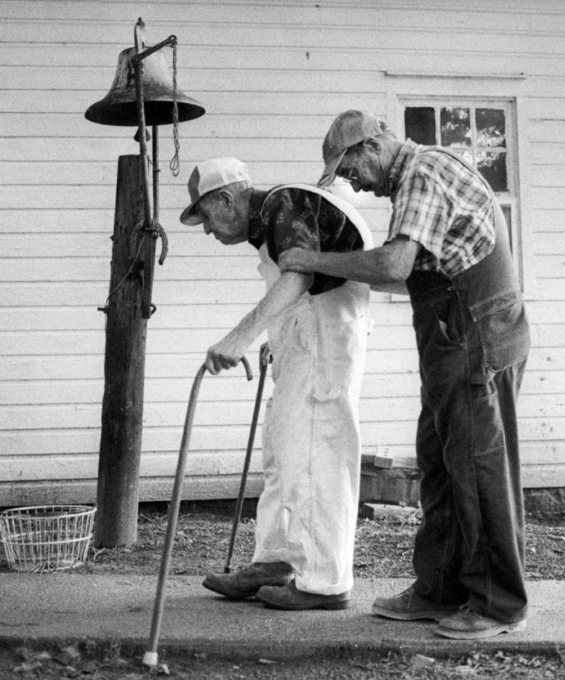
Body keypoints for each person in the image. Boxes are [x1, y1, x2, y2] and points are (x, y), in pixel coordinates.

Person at [278, 110, 531, 639]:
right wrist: (343, 270)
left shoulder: (422, 173)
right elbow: (409, 277)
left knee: (478, 469)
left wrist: (315, 259)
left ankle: (497, 603)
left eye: (352, 172)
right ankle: (439, 589)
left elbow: (394, 266)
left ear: (373, 146)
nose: (354, 185)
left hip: (474, 335)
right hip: (452, 340)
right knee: (439, 463)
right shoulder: (415, 184)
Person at [180, 157, 373, 611]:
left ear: (226, 198)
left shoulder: (286, 202)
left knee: (315, 454)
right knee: (282, 451)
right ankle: (276, 560)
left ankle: (325, 582)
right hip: (303, 343)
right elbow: (294, 291)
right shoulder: (269, 226)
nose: (207, 229)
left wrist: (241, 336)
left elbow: (300, 275)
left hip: (324, 345)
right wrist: (276, 338)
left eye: (205, 215)